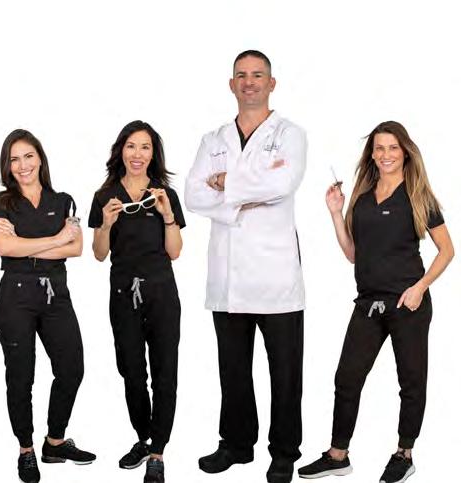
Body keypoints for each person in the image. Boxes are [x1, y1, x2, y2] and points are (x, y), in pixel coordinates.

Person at [298, 121, 454, 483]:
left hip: (408, 304)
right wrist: (336, 213)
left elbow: (447, 250)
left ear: (405, 152)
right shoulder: (363, 197)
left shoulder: (418, 196)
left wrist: (420, 287)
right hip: (368, 304)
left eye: (393, 148)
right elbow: (354, 254)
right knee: (347, 378)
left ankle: (404, 454)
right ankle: (338, 455)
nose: (386, 155)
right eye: (379, 148)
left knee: (411, 381)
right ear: (371, 154)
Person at [185, 50, 307, 483]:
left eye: (258, 75)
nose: (249, 82)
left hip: (276, 278)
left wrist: (225, 184)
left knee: (284, 374)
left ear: (272, 83)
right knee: (233, 370)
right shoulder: (213, 139)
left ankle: (284, 452)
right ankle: (236, 444)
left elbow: (283, 183)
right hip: (228, 277)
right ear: (231, 84)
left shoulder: (290, 134)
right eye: (241, 75)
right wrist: (245, 197)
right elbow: (193, 195)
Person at [0, 129, 96, 483]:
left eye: (28, 156)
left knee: (72, 368)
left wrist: (27, 245)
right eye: (14, 159)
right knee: (21, 377)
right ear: (7, 166)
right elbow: (3, 247)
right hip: (15, 298)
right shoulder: (1, 202)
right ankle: (26, 450)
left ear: (40, 158)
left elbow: (76, 248)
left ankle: (54, 442)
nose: (23, 165)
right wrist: (55, 239)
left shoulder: (63, 201)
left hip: (56, 297)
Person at [88, 120, 185, 483]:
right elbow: (100, 254)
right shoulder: (105, 196)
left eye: (145, 147)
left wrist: (167, 215)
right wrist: (105, 224)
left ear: (153, 154)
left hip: (161, 293)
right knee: (131, 370)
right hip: (123, 294)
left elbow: (175, 252)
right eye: (131, 146)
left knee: (165, 371)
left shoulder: (164, 194)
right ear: (121, 151)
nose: (138, 154)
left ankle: (158, 451)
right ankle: (144, 437)